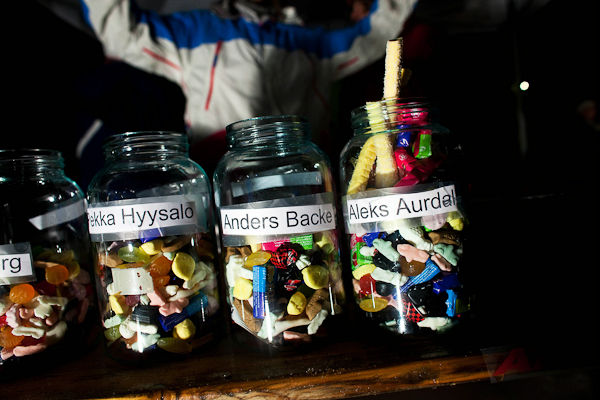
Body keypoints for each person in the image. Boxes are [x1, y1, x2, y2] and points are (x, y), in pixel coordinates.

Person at [41, 0, 418, 173]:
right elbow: (121, 31)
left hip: (307, 177)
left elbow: (380, 30)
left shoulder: (311, 38)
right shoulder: (196, 29)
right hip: (224, 175)